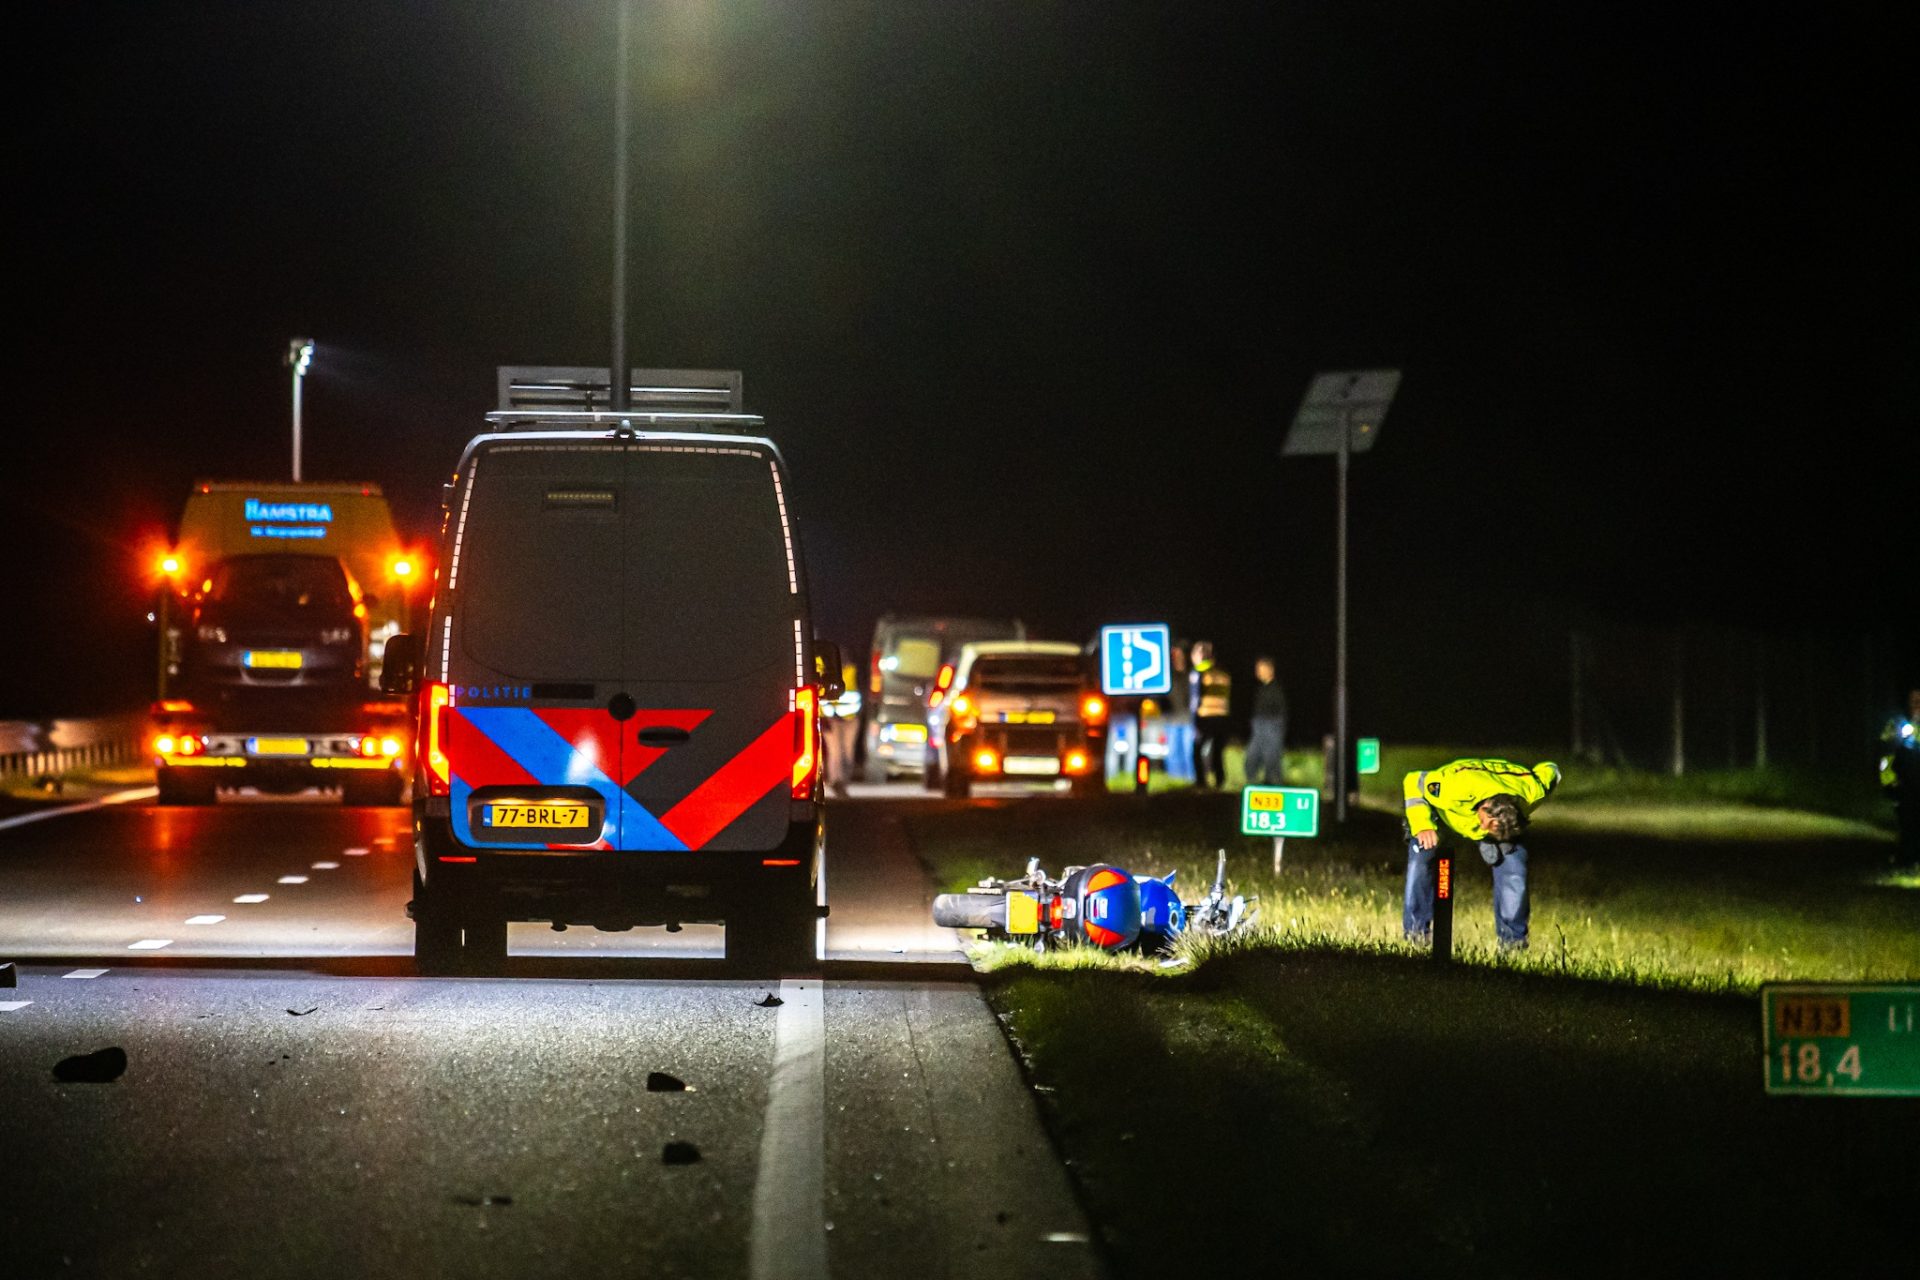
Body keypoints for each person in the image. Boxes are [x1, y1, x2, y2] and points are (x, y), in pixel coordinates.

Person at [1401, 758, 1562, 949]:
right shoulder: (1454, 788)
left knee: (1514, 864)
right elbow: (1415, 780)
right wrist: (1422, 824)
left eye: (1492, 831)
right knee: (1421, 856)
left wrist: (1498, 838)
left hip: (1493, 809)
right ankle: (1416, 935)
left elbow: (1552, 770)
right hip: (1443, 814)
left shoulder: (1532, 791)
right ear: (1485, 806)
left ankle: (1513, 944)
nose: (1485, 828)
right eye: (1487, 825)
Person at [1879, 686, 1920, 869]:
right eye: (1914, 701)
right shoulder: (1896, 724)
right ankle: (1906, 859)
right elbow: (1885, 757)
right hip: (1904, 786)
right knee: (1907, 823)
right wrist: (1890, 783)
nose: (1917, 705)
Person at [1189, 640, 1231, 790]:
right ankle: (1220, 781)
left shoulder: (1198, 672)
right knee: (1217, 751)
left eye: (1194, 653)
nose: (1192, 657)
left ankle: (1201, 782)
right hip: (1222, 717)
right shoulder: (1222, 673)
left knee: (1196, 750)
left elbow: (1196, 699)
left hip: (1205, 716)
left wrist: (1194, 722)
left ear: (1201, 655)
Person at [1242, 655, 1287, 786]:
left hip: (1271, 725)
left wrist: (1277, 726)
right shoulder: (1261, 689)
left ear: (1270, 669)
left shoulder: (1276, 689)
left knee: (1271, 755)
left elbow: (1281, 710)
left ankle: (1273, 782)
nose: (1257, 672)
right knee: (1252, 755)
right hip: (1259, 725)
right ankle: (1252, 782)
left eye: (1260, 668)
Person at [1163, 640, 1194, 782]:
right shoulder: (1167, 677)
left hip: (1188, 719)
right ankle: (1174, 780)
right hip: (1171, 719)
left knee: (1189, 752)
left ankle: (1190, 780)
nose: (1177, 657)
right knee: (1173, 752)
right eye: (1174, 655)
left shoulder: (1192, 675)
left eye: (1179, 654)